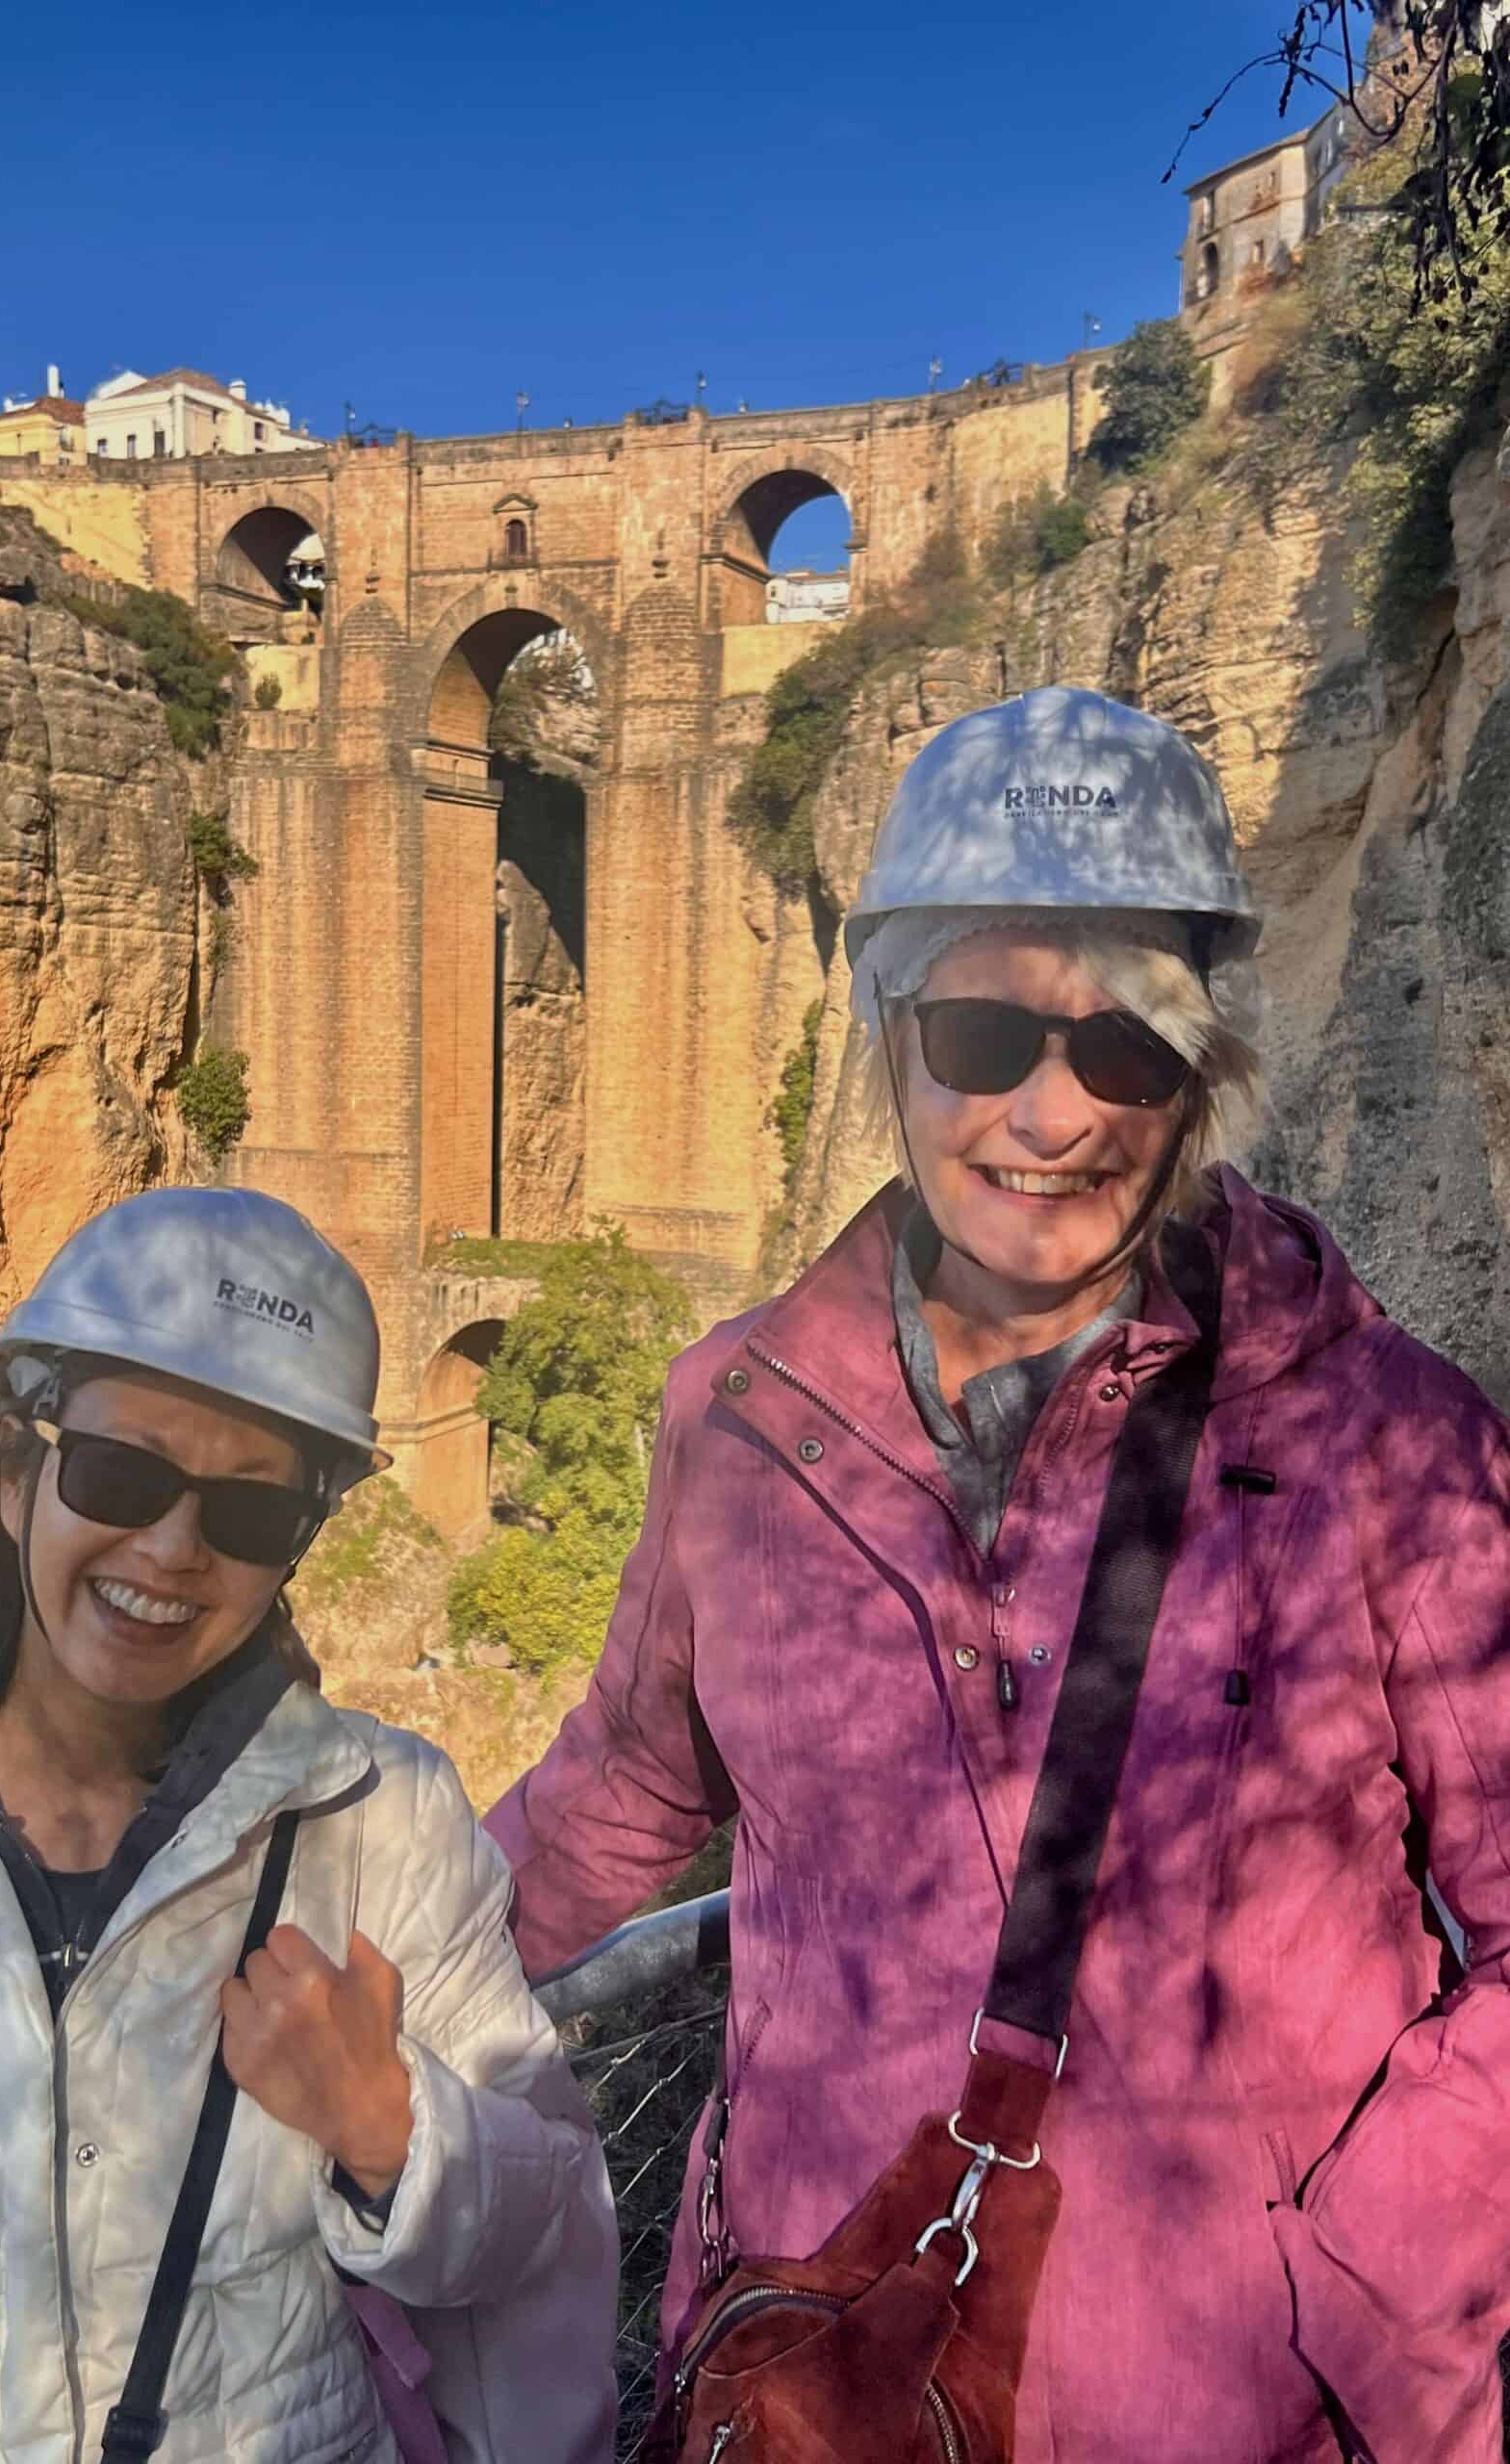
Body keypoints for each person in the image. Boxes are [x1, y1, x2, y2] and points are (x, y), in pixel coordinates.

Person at [487, 686, 1510, 2463]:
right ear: (892, 1038)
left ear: (1198, 1074)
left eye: (1122, 1050)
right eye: (982, 1036)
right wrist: (335, 1956)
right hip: (825, 2365)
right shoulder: (738, 1415)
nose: (1052, 1117)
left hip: (1249, 2417)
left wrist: (1358, 2274)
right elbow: (629, 1789)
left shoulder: (1384, 1441)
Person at [0, 1186, 617, 2464]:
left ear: (297, 1546)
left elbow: (548, 2229)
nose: (171, 1547)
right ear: (19, 1477)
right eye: (122, 1471)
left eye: (249, 1513)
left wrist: (391, 2129)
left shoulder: (380, 1823)